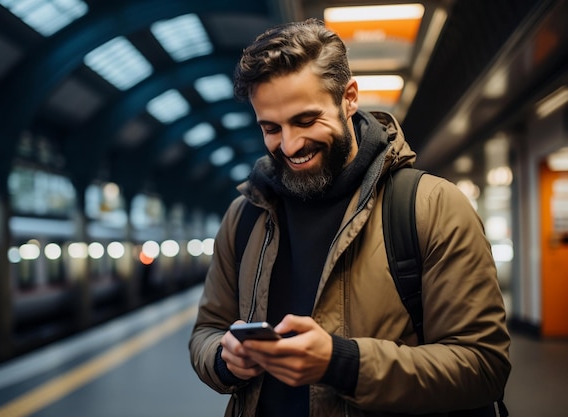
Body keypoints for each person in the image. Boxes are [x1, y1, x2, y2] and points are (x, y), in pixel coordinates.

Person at [189, 18, 511, 417]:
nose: (290, 145)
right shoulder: (245, 215)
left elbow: (483, 366)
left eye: (306, 120)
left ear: (349, 98)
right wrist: (224, 358)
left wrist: (342, 363)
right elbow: (206, 331)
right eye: (271, 128)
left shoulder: (431, 206)